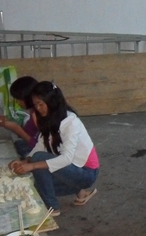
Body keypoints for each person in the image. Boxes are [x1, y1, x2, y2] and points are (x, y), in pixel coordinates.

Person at [9, 81, 99, 216]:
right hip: (71, 170)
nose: (38, 108)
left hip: (86, 173)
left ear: (52, 102)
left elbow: (66, 159)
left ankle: (52, 208)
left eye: (41, 104)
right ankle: (79, 191)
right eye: (35, 105)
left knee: (38, 160)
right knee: (33, 184)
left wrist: (32, 165)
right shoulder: (49, 118)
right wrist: (25, 161)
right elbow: (42, 143)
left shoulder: (71, 122)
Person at [0, 76, 40, 159]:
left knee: (23, 152)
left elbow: (39, 146)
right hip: (37, 144)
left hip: (47, 151)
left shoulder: (38, 113)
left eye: (19, 99)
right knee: (16, 145)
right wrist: (10, 122)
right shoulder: (33, 110)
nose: (17, 102)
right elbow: (29, 133)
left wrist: (16, 128)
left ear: (28, 98)